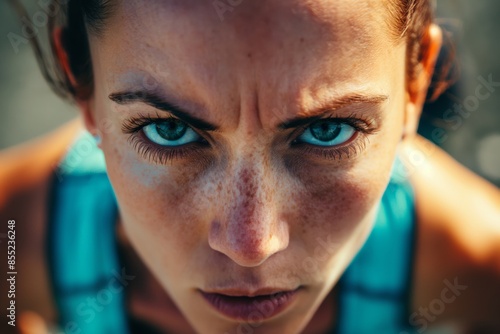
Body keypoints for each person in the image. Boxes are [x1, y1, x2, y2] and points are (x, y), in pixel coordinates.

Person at [1, 0, 499, 333]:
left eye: (327, 130)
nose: (251, 246)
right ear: (80, 83)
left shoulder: (477, 260)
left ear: (416, 84)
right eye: (169, 131)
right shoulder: (13, 249)